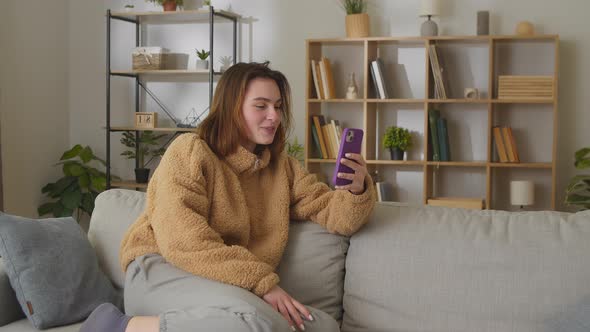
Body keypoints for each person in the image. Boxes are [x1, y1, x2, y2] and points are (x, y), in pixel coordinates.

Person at [80, 61, 376, 332]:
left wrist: (357, 189)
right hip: (161, 270)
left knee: (321, 325)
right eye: (261, 106)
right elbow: (184, 241)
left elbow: (338, 216)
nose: (274, 116)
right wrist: (263, 284)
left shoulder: (282, 167)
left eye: (278, 106)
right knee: (257, 322)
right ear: (231, 108)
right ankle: (116, 326)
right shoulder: (190, 151)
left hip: (228, 282)